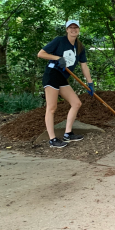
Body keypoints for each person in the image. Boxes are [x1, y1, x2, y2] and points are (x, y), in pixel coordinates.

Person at [37, 20, 95, 148]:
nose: (73, 29)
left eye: (76, 27)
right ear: (67, 30)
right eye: (71, 27)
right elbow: (41, 54)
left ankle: (68, 134)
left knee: (76, 103)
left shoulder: (79, 47)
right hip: (52, 75)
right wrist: (58, 58)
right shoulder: (59, 40)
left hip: (62, 78)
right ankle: (52, 139)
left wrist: (90, 83)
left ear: (79, 30)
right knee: (52, 108)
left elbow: (84, 66)